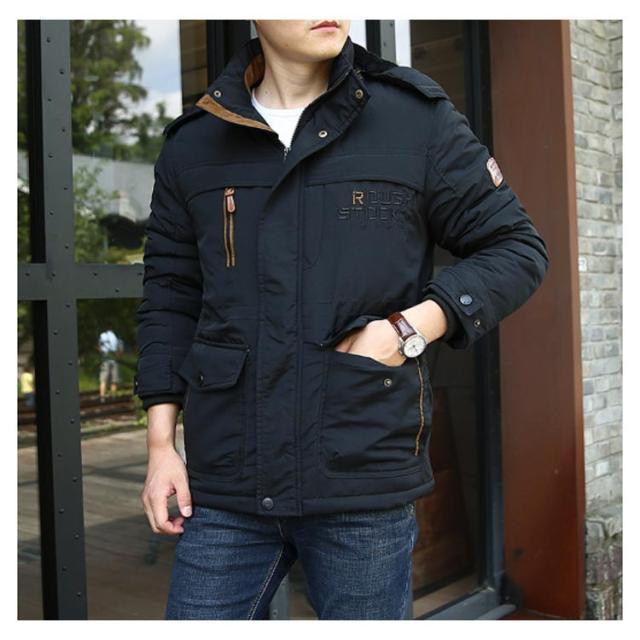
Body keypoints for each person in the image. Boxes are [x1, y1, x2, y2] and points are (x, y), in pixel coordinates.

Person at [134, 20, 549, 620]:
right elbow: (170, 296)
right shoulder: (195, 143)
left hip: (361, 470)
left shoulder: (414, 120)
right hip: (227, 480)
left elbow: (516, 247)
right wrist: (160, 446)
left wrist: (407, 329)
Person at [98, 328, 122, 402]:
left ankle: (102, 398)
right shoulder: (116, 336)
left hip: (105, 360)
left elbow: (100, 348)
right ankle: (113, 397)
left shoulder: (102, 335)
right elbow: (120, 349)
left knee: (103, 379)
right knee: (114, 380)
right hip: (114, 360)